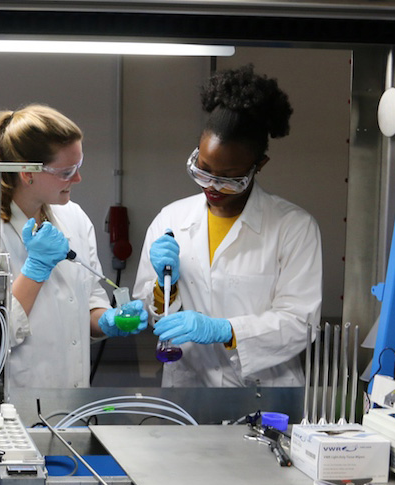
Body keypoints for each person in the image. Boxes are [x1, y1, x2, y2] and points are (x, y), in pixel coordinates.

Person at [0, 104, 147, 425]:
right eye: (66, 171)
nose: (79, 178)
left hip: (75, 404)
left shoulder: (74, 218)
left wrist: (109, 320)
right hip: (10, 412)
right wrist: (35, 269)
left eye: (79, 166)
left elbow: (89, 306)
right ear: (27, 173)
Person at [134, 64, 322, 387]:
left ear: (258, 165)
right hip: (188, 392)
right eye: (203, 169)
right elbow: (149, 315)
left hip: (266, 395)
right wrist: (164, 292)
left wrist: (225, 330)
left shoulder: (294, 228)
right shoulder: (171, 221)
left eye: (229, 178)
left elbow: (299, 324)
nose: (212, 186)